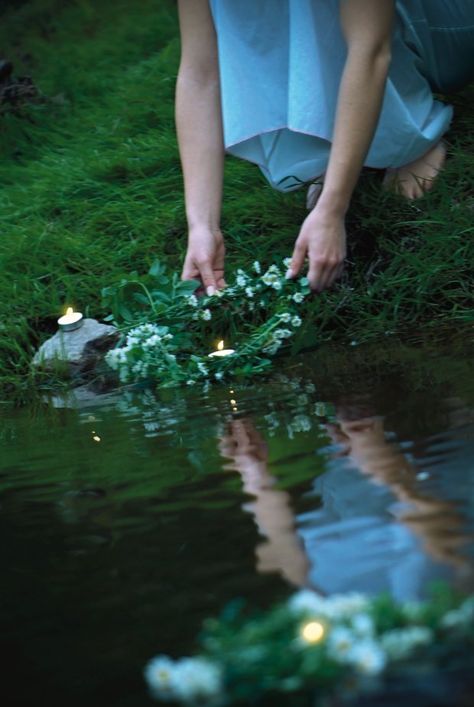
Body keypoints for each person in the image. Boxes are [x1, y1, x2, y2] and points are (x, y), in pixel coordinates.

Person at [176, 1, 474, 294]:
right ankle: (337, 149)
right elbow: (200, 74)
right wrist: (202, 226)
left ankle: (408, 137)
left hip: (442, 27)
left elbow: (370, 49)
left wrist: (333, 207)